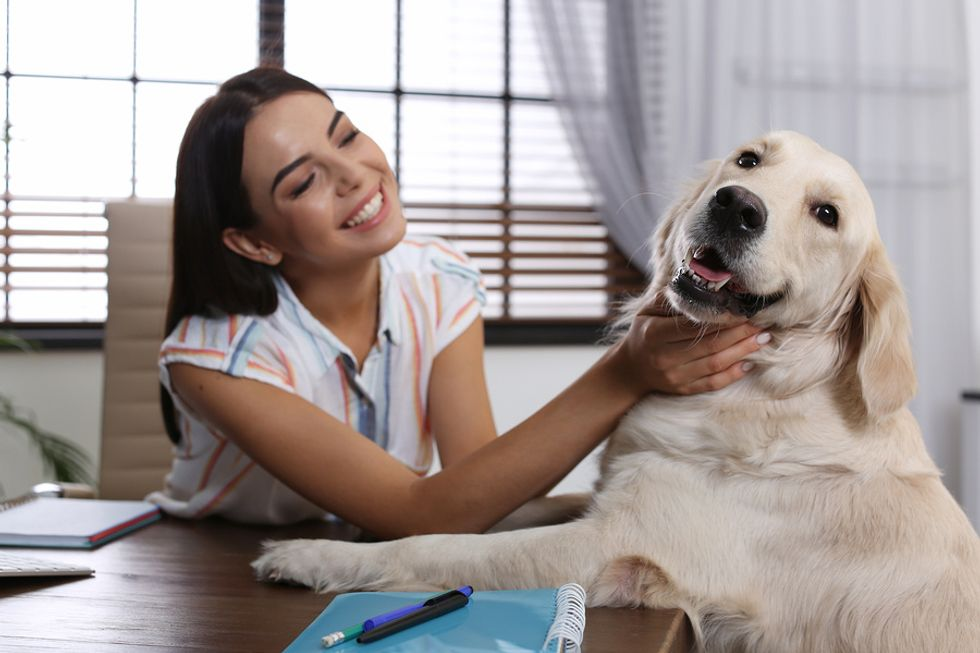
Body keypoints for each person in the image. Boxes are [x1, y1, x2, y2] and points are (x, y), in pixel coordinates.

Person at [148, 67, 769, 539]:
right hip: (215, 565)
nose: (355, 174)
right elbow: (423, 513)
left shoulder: (437, 279)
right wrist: (624, 372)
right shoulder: (214, 359)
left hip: (362, 555)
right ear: (253, 242)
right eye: (306, 180)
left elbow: (480, 492)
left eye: (347, 136)